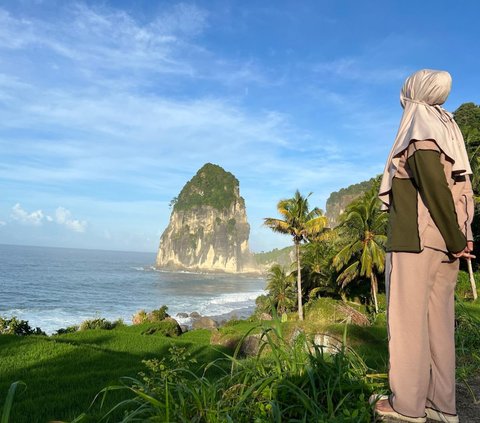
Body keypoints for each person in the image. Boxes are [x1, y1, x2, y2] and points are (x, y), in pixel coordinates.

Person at [374, 69, 475, 423]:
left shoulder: (417, 122)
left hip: (414, 241)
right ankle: (442, 405)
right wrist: (463, 237)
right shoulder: (448, 127)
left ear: (413, 91)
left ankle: (408, 406)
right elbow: (461, 188)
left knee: (407, 324)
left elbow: (431, 184)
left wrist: (456, 237)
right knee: (439, 327)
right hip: (447, 245)